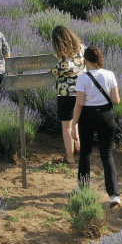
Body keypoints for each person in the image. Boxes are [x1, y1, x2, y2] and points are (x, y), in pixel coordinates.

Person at [72, 46, 120, 206]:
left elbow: (79, 103)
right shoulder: (110, 74)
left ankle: (83, 187)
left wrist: (73, 125)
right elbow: (116, 100)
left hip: (88, 116)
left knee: (85, 152)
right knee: (107, 154)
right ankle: (114, 195)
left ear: (86, 61)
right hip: (106, 116)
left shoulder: (83, 78)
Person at [51, 26, 84, 164]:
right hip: (81, 92)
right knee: (76, 121)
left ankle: (70, 158)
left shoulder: (58, 57)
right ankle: (78, 148)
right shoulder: (82, 49)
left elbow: (54, 74)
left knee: (67, 126)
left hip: (65, 94)